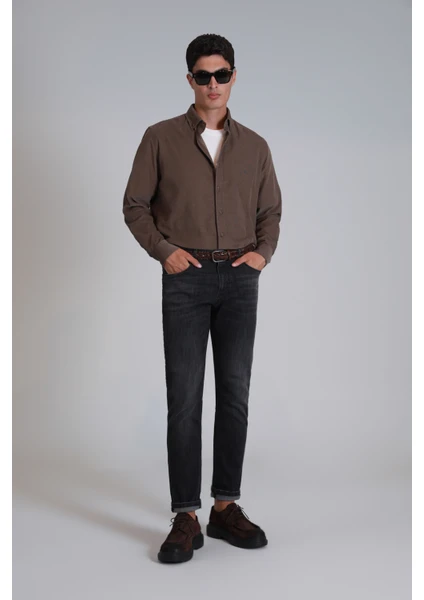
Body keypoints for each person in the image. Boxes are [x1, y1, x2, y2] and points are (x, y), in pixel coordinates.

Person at [122, 33, 282, 563]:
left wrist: (261, 254)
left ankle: (225, 507)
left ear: (234, 77)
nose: (213, 84)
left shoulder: (255, 146)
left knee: (234, 394)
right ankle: (186, 516)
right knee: (185, 397)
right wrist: (164, 251)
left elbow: (270, 211)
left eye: (222, 74)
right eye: (203, 75)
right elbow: (135, 205)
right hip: (185, 278)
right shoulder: (160, 138)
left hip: (239, 278)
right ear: (190, 79)